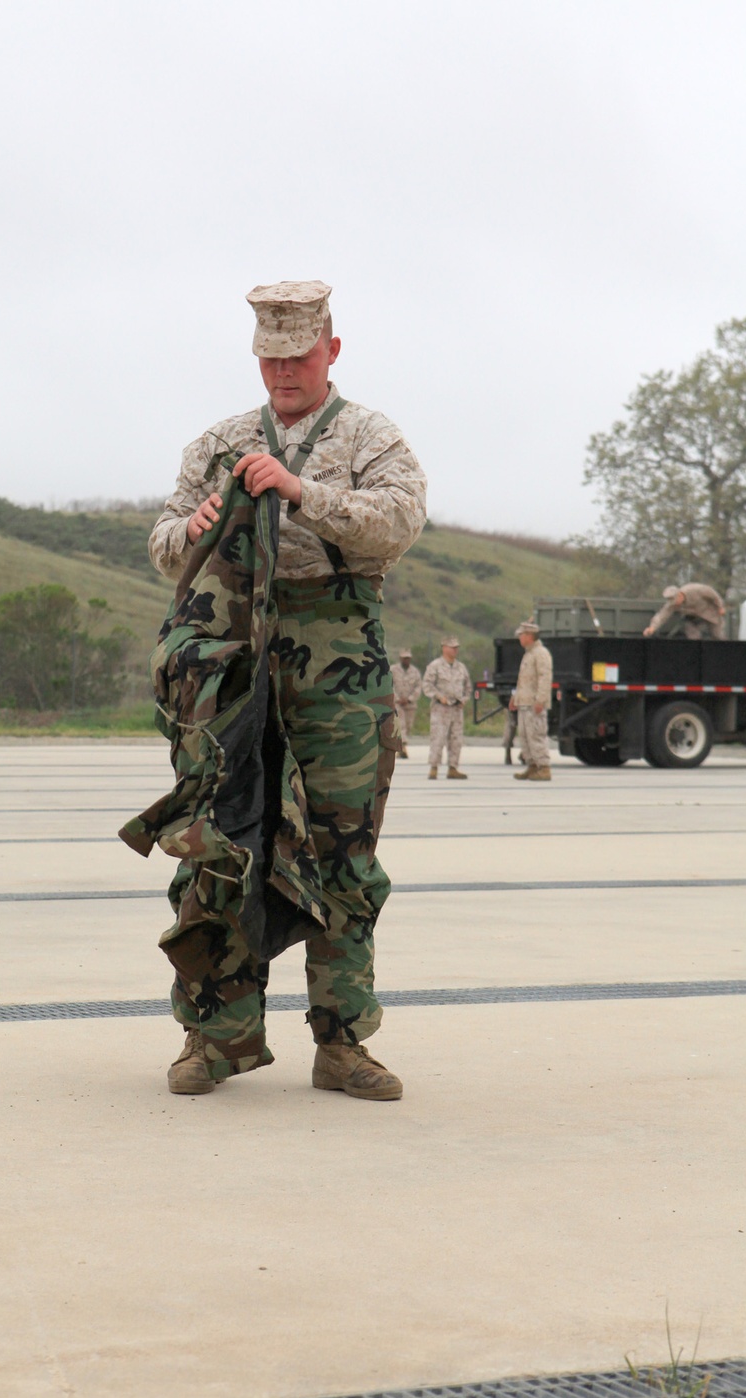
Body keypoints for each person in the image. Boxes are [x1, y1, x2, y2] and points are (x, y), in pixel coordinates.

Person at [140, 280, 426, 1100]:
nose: (282, 373)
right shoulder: (220, 441)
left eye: (297, 357)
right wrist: (191, 530)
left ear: (331, 350)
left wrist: (304, 494)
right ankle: (214, 1037)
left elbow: (400, 520)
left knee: (343, 850)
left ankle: (342, 1042)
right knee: (223, 843)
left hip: (338, 658)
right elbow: (163, 546)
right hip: (234, 657)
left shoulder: (370, 435)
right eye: (269, 358)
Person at [421, 636, 472, 778]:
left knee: (456, 739)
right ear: (444, 648)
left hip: (456, 709)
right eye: (452, 647)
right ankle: (434, 767)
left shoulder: (461, 667)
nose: (455, 650)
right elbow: (427, 685)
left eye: (457, 647)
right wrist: (439, 697)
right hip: (440, 708)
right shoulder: (435, 666)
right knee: (438, 738)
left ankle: (453, 768)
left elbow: (468, 687)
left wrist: (464, 699)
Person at [510, 621, 553, 781]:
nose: (520, 638)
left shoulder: (540, 653)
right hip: (524, 702)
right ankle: (532, 765)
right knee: (525, 736)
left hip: (534, 703)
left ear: (529, 636)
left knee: (536, 735)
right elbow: (523, 680)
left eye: (521, 635)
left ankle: (543, 767)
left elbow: (544, 678)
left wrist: (540, 700)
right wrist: (515, 697)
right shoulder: (528, 654)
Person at [643, 584, 726, 640]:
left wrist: (720, 606)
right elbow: (662, 616)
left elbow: (712, 593)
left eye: (675, 600)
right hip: (692, 618)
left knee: (717, 635)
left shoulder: (694, 589)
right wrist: (652, 627)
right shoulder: (673, 604)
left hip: (709, 613)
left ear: (680, 595)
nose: (674, 603)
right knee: (692, 635)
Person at [391, 647, 423, 758]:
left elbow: (418, 687)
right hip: (397, 703)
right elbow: (389, 685)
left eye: (408, 658)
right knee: (401, 725)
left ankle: (400, 747)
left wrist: (410, 699)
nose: (406, 660)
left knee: (408, 726)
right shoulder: (393, 670)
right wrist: (397, 698)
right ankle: (402, 748)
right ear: (400, 658)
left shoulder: (415, 672)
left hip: (410, 704)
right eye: (404, 658)